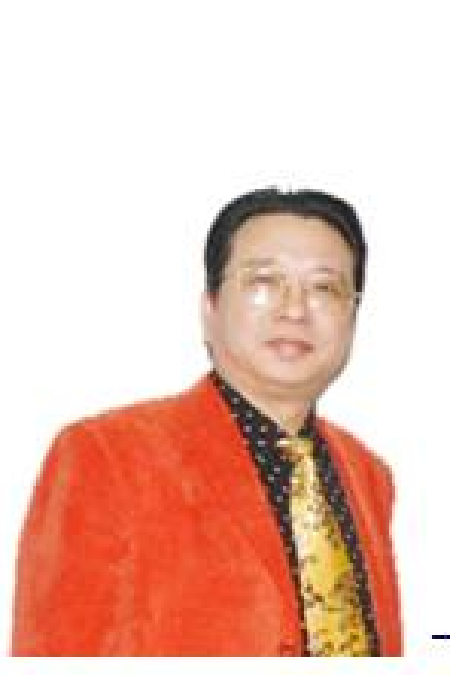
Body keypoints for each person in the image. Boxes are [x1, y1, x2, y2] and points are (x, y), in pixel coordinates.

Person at [11, 188, 402, 656]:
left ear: (353, 316)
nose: (295, 309)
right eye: (264, 281)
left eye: (324, 288)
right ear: (210, 306)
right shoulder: (106, 456)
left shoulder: (369, 475)